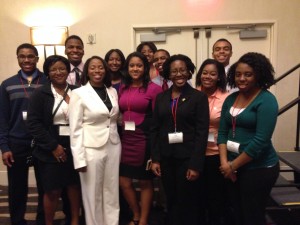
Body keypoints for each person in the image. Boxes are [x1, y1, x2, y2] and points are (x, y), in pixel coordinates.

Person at [218, 52, 279, 225]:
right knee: (237, 212)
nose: (242, 79)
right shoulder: (230, 99)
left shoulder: (266, 100)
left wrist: (232, 166)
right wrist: (224, 163)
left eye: (248, 74)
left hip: (258, 169)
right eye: (238, 74)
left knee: (253, 215)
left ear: (259, 75)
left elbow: (261, 141)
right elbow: (222, 133)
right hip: (231, 166)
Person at [151, 54, 209, 225]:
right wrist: (155, 159)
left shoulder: (199, 97)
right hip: (166, 158)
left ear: (189, 72)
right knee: (171, 198)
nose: (179, 74)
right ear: (168, 74)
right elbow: (155, 129)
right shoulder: (161, 98)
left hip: (188, 159)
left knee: (187, 200)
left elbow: (202, 132)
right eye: (174, 71)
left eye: (182, 70)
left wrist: (195, 164)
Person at [27, 55, 81, 225]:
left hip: (75, 145)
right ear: (48, 73)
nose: (58, 72)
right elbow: (33, 123)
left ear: (68, 71)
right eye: (53, 69)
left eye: (62, 68)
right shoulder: (40, 93)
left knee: (73, 186)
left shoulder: (78, 91)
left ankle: (74, 220)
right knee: (52, 189)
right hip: (49, 147)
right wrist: (53, 146)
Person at [69, 56, 121, 225]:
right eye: (93, 68)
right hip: (90, 147)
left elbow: (113, 118)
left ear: (105, 70)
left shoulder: (112, 91)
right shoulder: (78, 93)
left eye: (100, 67)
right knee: (92, 192)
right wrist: (79, 158)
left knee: (111, 189)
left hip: (113, 144)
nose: (97, 71)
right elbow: (75, 129)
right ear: (87, 71)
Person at [0, 43, 47, 225]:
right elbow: (2, 118)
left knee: (45, 186)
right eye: (22, 56)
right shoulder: (7, 85)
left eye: (30, 56)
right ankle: (18, 220)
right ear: (18, 58)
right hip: (16, 143)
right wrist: (4, 146)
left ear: (37, 58)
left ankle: (43, 219)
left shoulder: (47, 81)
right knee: (17, 188)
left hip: (42, 142)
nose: (26, 60)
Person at [118, 52, 162, 225]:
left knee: (145, 181)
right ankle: (135, 213)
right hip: (125, 140)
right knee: (124, 181)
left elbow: (158, 120)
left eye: (139, 65)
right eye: (131, 65)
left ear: (145, 68)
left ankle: (143, 219)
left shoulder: (154, 89)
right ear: (127, 68)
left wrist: (155, 150)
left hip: (144, 140)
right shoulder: (123, 87)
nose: (135, 69)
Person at [195, 59, 229, 225]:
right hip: (195, 154)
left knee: (215, 198)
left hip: (216, 153)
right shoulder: (191, 94)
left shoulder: (226, 98)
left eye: (212, 73)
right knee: (197, 198)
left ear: (219, 77)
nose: (207, 76)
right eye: (205, 72)